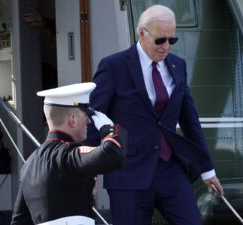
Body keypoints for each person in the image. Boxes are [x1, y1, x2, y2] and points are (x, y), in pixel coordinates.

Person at [84, 4, 223, 225]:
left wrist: (207, 169)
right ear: (142, 33)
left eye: (172, 40)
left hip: (170, 169)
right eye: (160, 40)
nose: (166, 46)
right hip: (128, 173)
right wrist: (87, 171)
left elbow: (190, 120)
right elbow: (94, 117)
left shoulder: (178, 66)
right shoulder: (114, 66)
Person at [11, 82, 127, 225]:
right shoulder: (68, 155)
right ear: (72, 119)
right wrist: (108, 128)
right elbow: (112, 154)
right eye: (86, 114)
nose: (89, 121)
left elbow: (19, 220)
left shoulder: (29, 164)